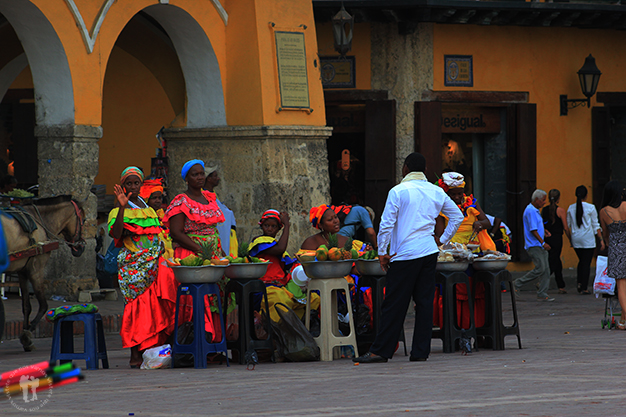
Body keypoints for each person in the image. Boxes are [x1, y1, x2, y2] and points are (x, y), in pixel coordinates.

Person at [353, 153, 463, 363]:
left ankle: (381, 351)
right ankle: (420, 352)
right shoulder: (436, 191)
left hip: (404, 254)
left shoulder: (398, 191)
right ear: (424, 169)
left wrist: (382, 252)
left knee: (394, 304)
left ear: (405, 169)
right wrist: (442, 240)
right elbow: (457, 215)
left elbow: (386, 224)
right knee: (424, 303)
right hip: (428, 252)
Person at [108, 166, 177, 368]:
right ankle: (136, 354)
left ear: (141, 184)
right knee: (136, 307)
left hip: (154, 263)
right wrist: (121, 207)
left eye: (135, 183)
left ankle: (155, 349)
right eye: (128, 184)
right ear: (122, 186)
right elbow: (116, 234)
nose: (132, 187)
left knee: (154, 306)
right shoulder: (119, 209)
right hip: (135, 266)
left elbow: (155, 233)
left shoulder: (147, 209)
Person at [162, 159, 230, 340]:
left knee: (215, 298)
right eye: (195, 174)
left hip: (212, 256)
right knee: (197, 299)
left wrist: (221, 255)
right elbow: (176, 233)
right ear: (186, 179)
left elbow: (214, 229)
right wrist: (200, 250)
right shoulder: (180, 202)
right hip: (191, 256)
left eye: (201, 174)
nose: (200, 177)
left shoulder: (209, 198)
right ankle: (198, 339)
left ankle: (214, 343)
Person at [435, 172, 495, 330]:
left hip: (472, 250)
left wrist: (479, 224)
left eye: (459, 194)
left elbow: (487, 221)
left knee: (475, 290)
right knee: (456, 291)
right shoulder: (442, 208)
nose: (456, 197)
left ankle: (476, 327)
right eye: (453, 194)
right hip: (452, 253)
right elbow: (440, 235)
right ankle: (456, 328)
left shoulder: (471, 203)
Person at [248, 209, 320, 322]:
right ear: (261, 226)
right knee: (280, 300)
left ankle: (300, 329)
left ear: (278, 228)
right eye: (266, 225)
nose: (270, 229)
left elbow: (288, 265)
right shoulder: (258, 241)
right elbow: (280, 249)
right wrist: (287, 225)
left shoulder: (275, 244)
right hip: (264, 288)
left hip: (281, 287)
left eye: (273, 226)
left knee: (314, 299)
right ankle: (276, 332)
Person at [514, 189, 554, 302]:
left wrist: (544, 230)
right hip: (534, 245)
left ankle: (542, 292)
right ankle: (517, 283)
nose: (544, 202)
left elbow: (536, 226)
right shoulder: (531, 211)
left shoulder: (535, 210)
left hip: (538, 244)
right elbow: (533, 229)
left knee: (546, 269)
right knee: (540, 268)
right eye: (543, 200)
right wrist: (543, 242)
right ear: (536, 200)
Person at [567, 185, 604, 295]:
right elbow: (595, 225)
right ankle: (584, 287)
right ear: (586, 195)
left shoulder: (570, 208)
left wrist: (570, 239)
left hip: (576, 238)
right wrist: (601, 240)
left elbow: (568, 225)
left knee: (581, 261)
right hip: (588, 239)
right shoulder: (591, 207)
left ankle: (579, 282)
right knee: (586, 263)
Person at [599, 180, 626, 329]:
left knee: (621, 286)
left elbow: (605, 234)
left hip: (616, 248)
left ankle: (624, 319)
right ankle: (622, 320)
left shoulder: (604, 211)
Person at [204, 163, 238, 257]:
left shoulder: (213, 193)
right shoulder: (203, 195)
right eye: (215, 176)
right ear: (209, 179)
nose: (218, 178)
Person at [542, 189, 571, 294]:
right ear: (558, 198)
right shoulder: (561, 210)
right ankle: (543, 282)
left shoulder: (544, 210)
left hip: (547, 237)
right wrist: (570, 238)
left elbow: (542, 224)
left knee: (555, 260)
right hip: (557, 238)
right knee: (553, 261)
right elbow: (565, 228)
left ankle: (561, 285)